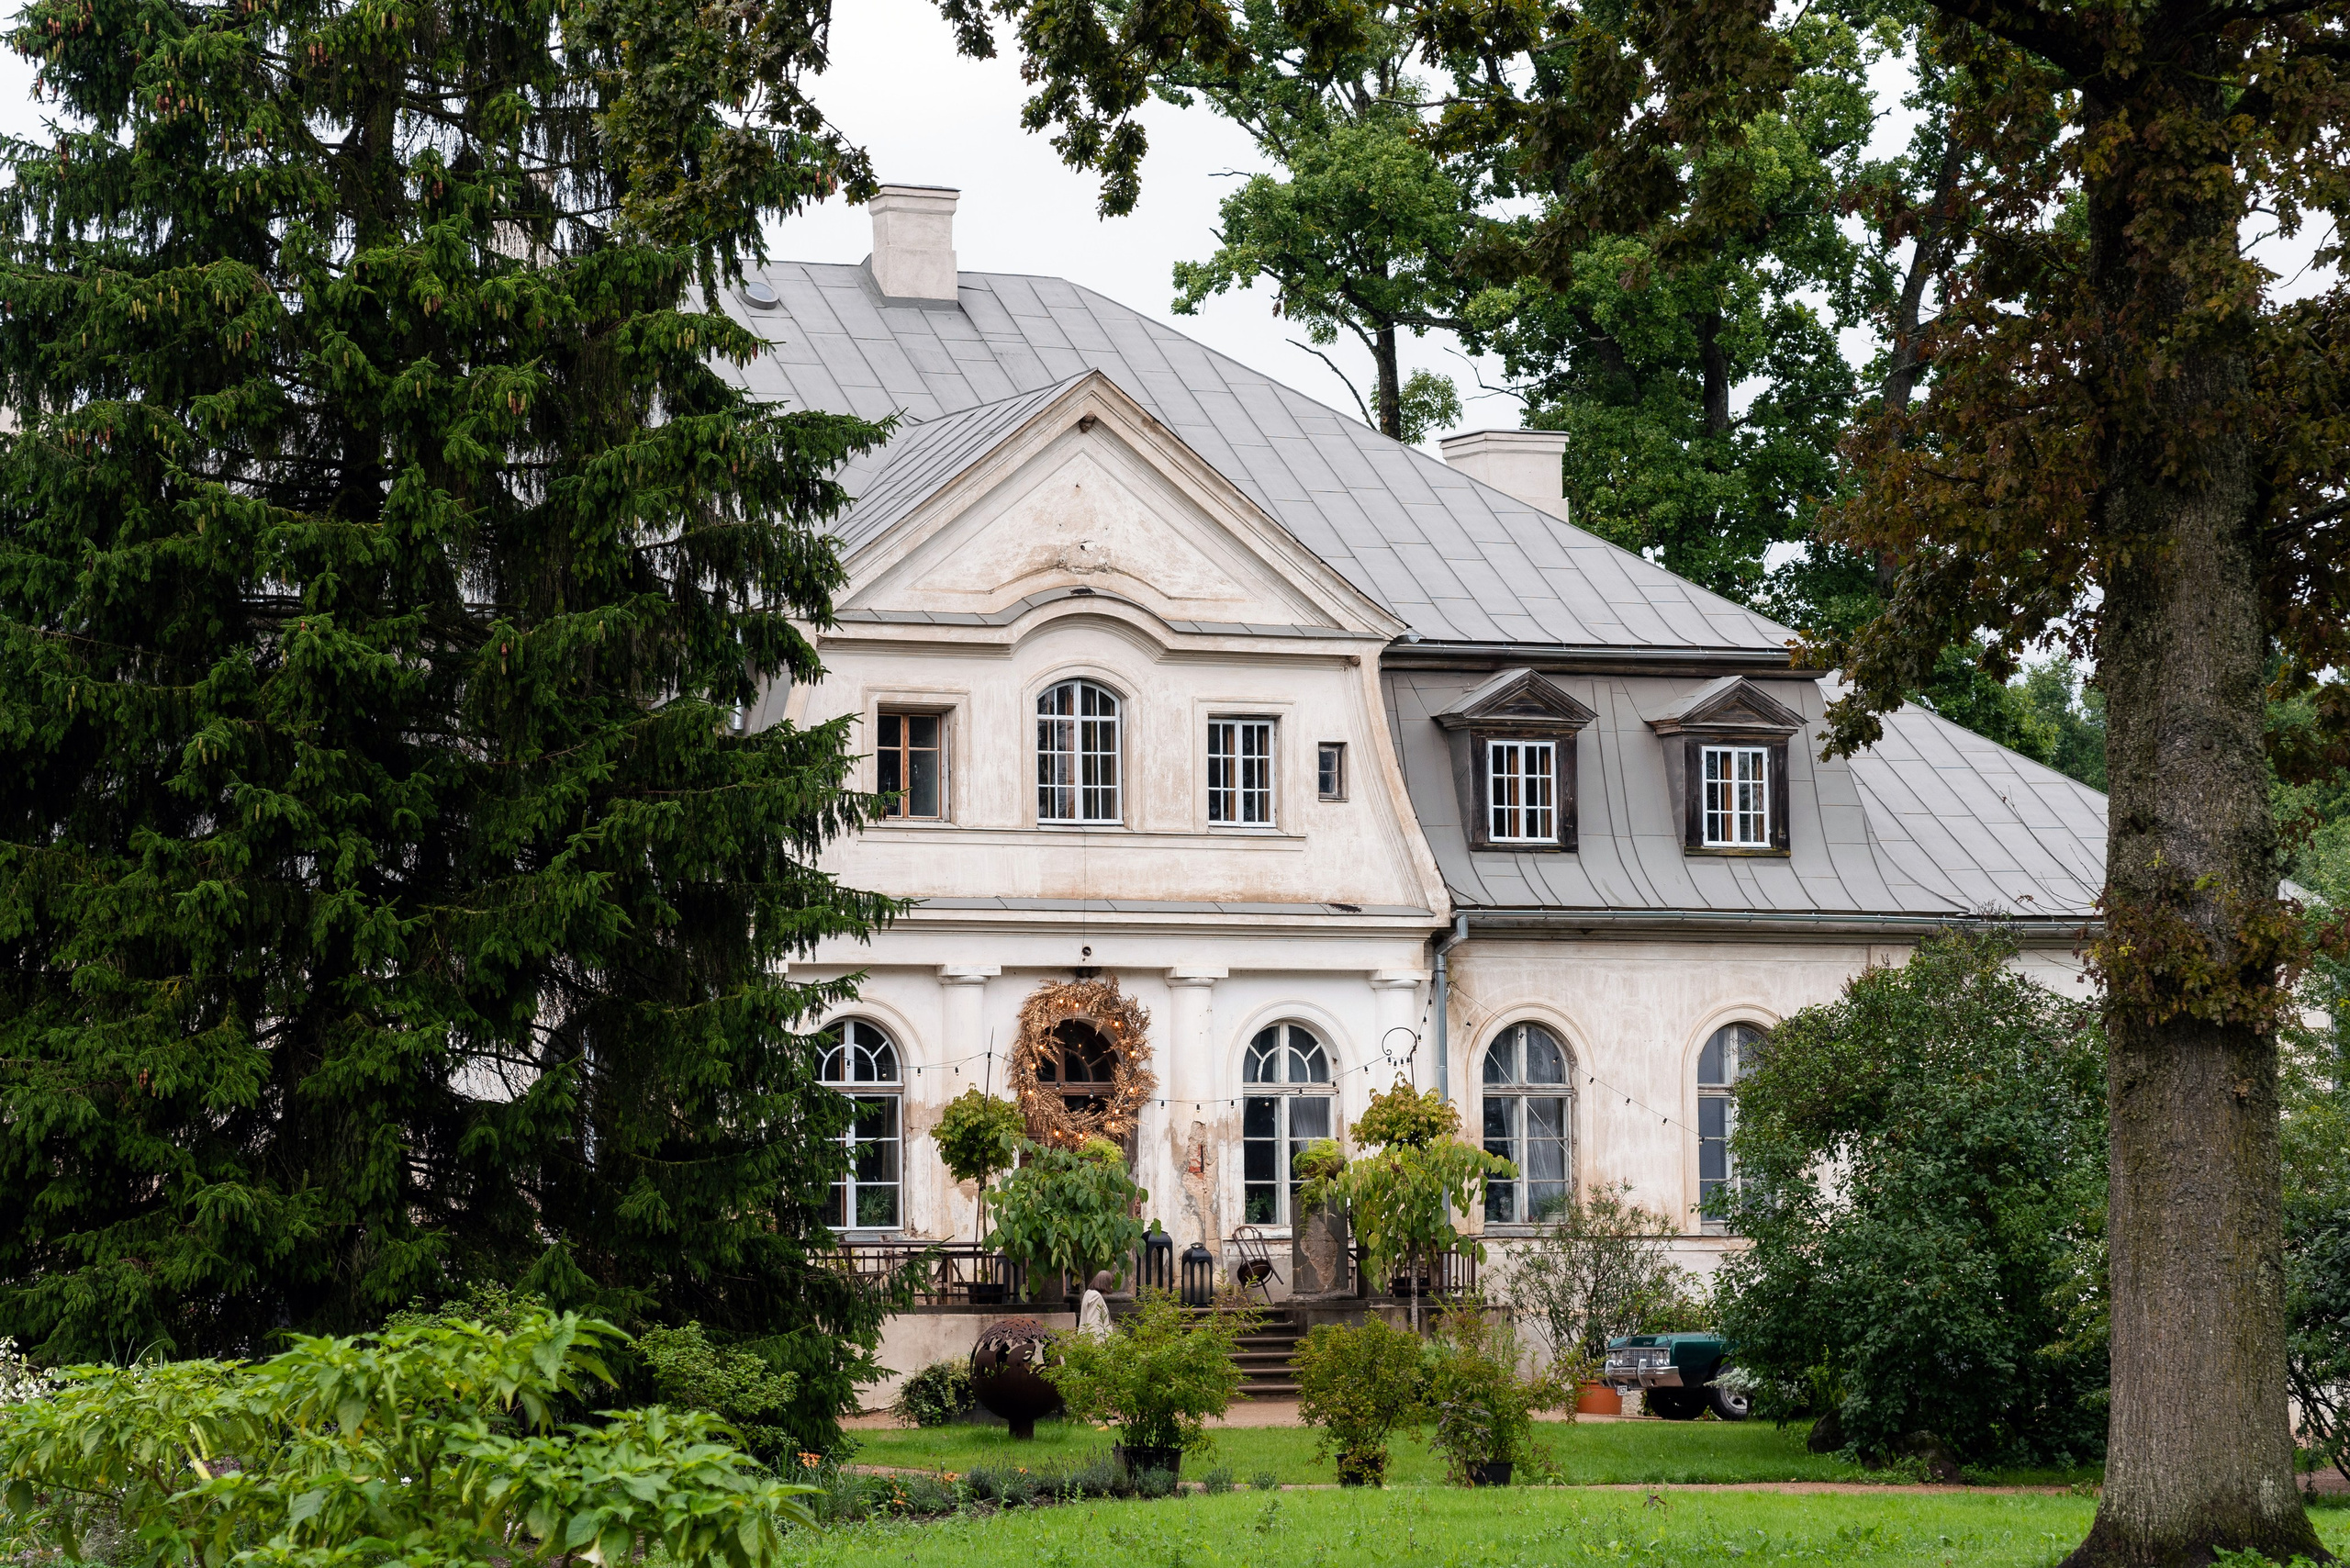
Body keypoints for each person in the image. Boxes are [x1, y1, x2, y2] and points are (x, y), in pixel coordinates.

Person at [1078, 1270, 1114, 1338]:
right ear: (1105, 1283)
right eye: (1110, 1284)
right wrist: (1096, 1346)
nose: (1111, 1287)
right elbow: (1093, 1324)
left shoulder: (1088, 1293)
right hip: (1096, 1342)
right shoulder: (1096, 1296)